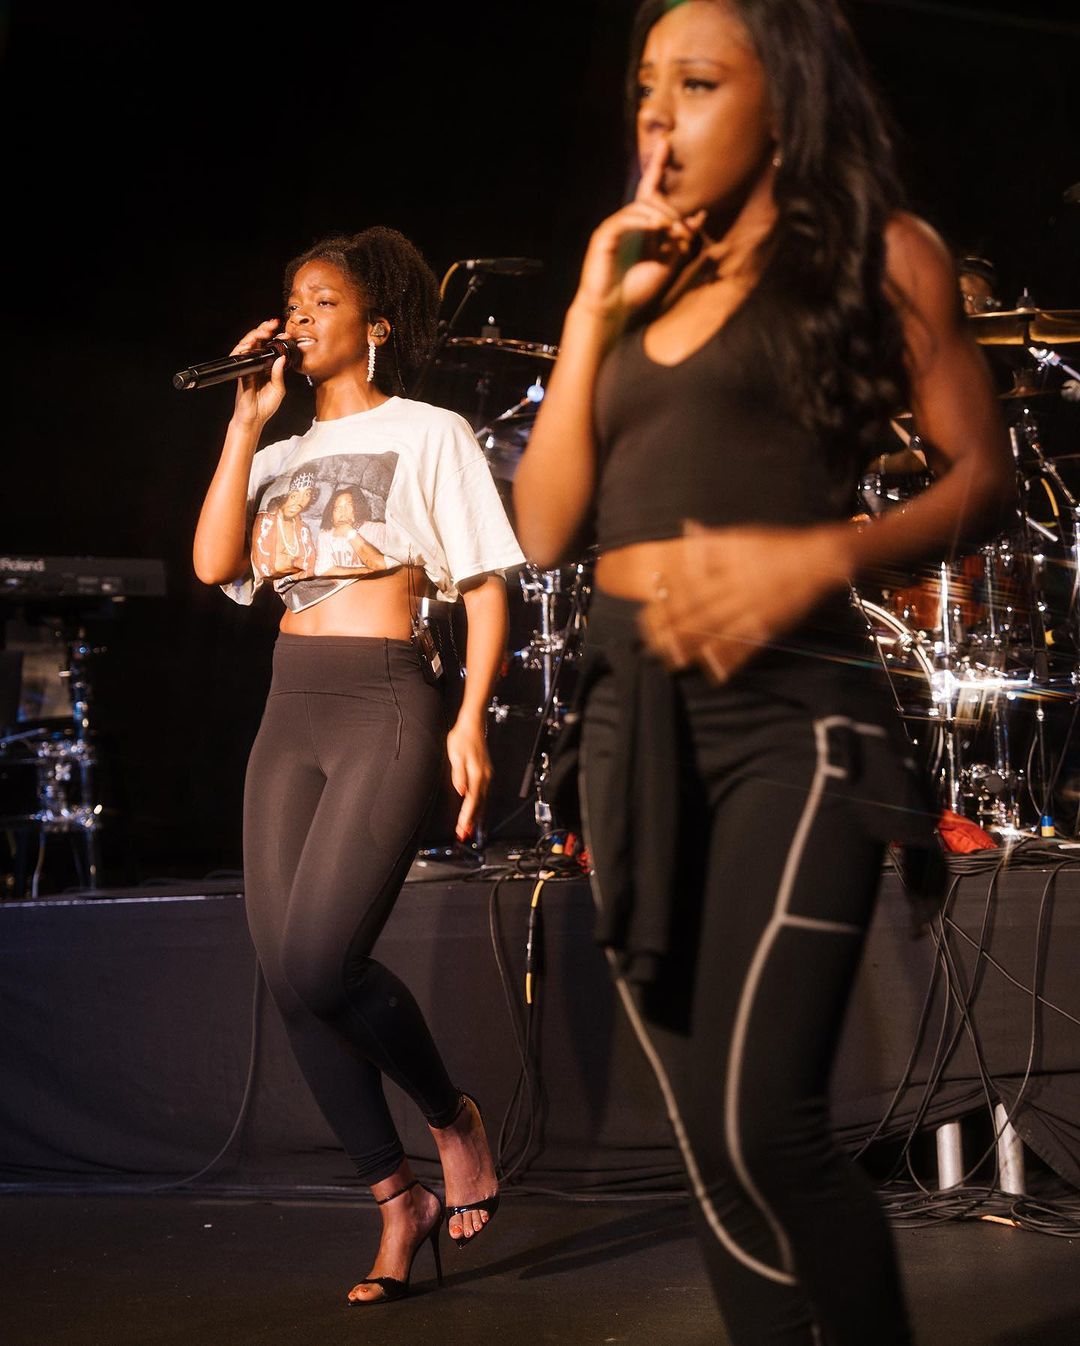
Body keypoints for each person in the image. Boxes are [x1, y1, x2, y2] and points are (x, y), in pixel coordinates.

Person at [513, 3, 1013, 1343]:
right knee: (710, 1146)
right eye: (645, 86)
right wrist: (589, 307)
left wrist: (820, 555)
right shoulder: (635, 275)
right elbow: (545, 529)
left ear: (783, 99)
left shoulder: (880, 253)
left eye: (697, 83)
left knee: (762, 1124)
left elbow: (986, 475)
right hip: (630, 719)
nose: (657, 115)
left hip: (796, 713)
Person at [193, 225, 524, 1305]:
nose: (299, 318)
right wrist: (245, 423)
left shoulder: (430, 431)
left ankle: (452, 1118)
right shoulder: (275, 454)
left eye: (322, 302)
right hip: (289, 710)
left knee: (322, 956)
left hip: (384, 696)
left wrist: (470, 719)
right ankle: (396, 1199)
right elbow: (213, 563)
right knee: (287, 971)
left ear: (376, 323)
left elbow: (487, 584)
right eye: (292, 302)